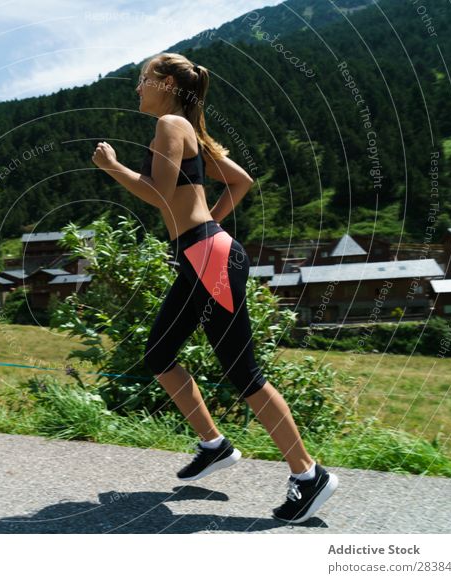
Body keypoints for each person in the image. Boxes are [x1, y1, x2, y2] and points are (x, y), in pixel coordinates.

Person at [91, 52, 337, 524]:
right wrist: (207, 230)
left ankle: (309, 476)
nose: (137, 88)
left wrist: (113, 167)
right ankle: (215, 444)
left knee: (244, 374)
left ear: (164, 82)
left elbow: (160, 194)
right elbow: (240, 181)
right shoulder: (191, 131)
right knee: (160, 354)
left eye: (143, 80)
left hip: (209, 258)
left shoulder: (169, 123)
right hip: (202, 255)